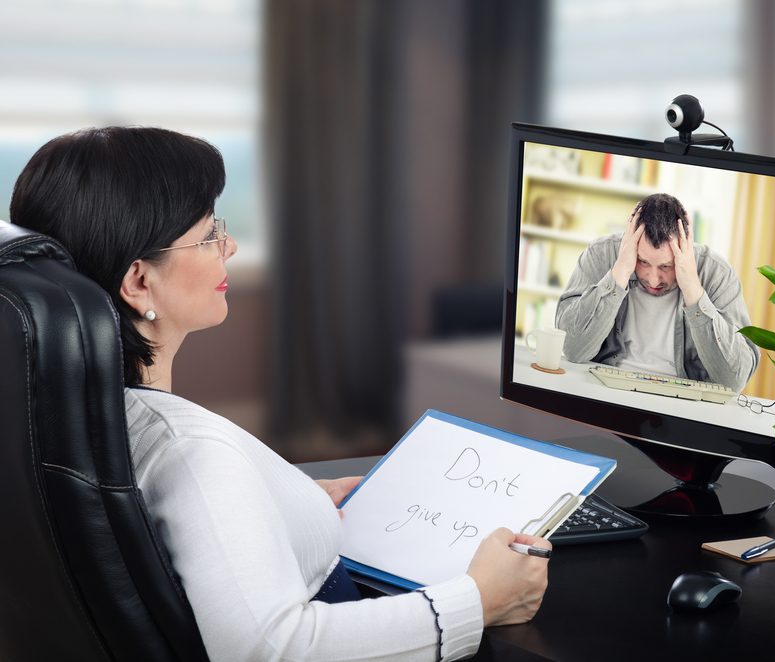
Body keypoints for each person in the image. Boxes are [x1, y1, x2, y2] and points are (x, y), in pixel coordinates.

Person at [9, 127, 550, 662]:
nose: (229, 244)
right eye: (208, 233)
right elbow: (270, 649)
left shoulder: (56, 419)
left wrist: (285, 501)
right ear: (139, 282)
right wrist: (478, 600)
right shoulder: (191, 451)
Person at [555, 192, 759, 394]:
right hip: (604, 391)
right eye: (643, 262)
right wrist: (618, 275)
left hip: (680, 406)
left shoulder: (717, 272)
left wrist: (693, 290)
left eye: (666, 266)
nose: (653, 280)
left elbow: (735, 380)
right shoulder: (601, 253)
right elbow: (573, 349)